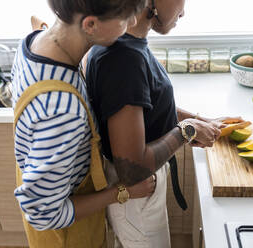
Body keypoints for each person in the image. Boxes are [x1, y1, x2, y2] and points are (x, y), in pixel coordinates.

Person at [85, 0, 243, 247]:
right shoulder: (124, 59)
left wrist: (202, 122)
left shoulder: (129, 43)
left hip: (138, 196)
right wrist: (187, 130)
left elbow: (152, 103)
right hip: (137, 195)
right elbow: (132, 169)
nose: (183, 11)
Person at [11, 0, 151, 247]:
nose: (132, 23)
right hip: (67, 237)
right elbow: (45, 215)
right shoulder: (63, 112)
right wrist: (121, 192)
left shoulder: (35, 41)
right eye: (126, 18)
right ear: (90, 24)